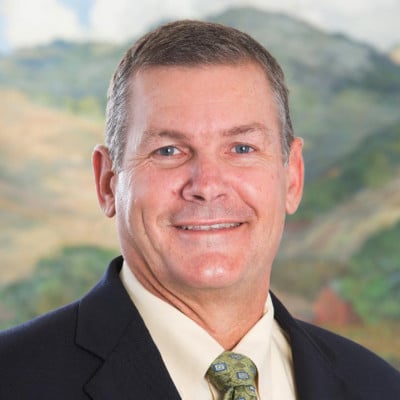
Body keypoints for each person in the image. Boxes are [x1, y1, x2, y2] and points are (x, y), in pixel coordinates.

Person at [0, 20, 399, 400]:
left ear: (292, 177)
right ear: (107, 182)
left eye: (241, 148)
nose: (207, 186)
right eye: (168, 151)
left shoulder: (379, 386)